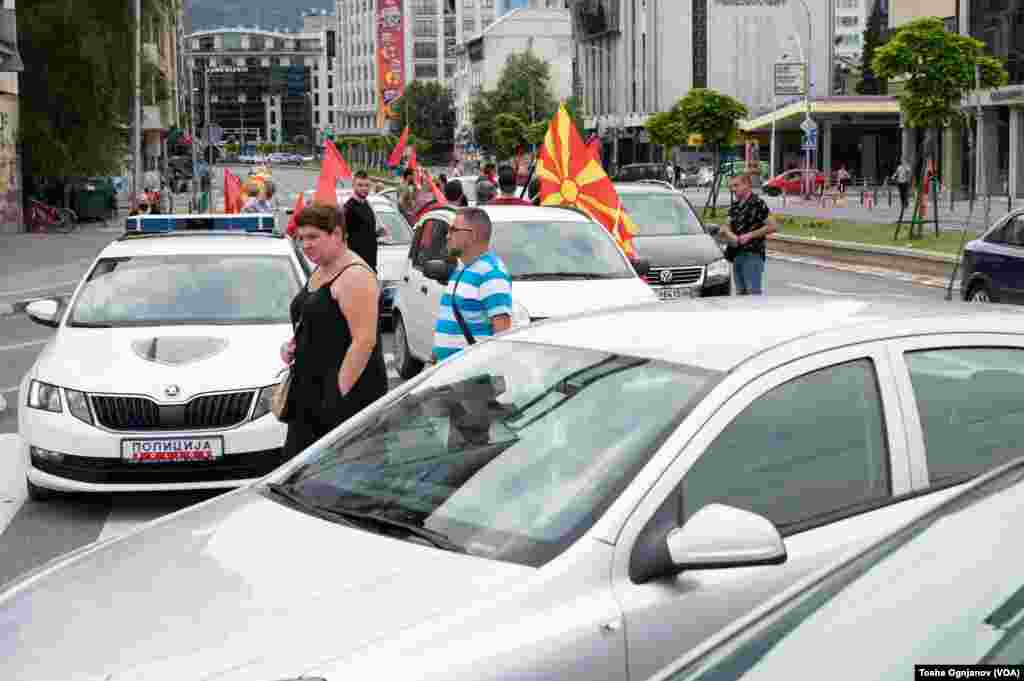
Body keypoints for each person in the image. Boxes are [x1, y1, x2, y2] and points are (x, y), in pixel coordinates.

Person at [280, 202, 389, 457]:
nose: (306, 245)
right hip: (310, 396)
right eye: (301, 238)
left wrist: (338, 395)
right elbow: (320, 320)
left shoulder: (355, 274)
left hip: (341, 401)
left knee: (338, 483)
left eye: (313, 237)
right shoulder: (322, 267)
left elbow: (364, 341)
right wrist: (294, 344)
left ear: (337, 234)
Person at [432, 207, 513, 363]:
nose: (448, 236)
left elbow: (501, 335)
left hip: (471, 377)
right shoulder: (463, 269)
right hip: (447, 373)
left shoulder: (491, 273)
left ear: (472, 235)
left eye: (453, 230)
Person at [719, 173, 777, 296]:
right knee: (740, 293)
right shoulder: (734, 206)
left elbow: (773, 226)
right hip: (736, 255)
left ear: (747, 185)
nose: (733, 189)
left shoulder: (757, 203)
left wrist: (749, 235)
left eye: (736, 185)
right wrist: (731, 236)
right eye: (731, 186)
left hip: (752, 254)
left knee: (752, 294)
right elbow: (724, 227)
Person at [342, 170, 378, 272]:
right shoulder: (348, 208)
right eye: (360, 185)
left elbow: (363, 232)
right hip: (356, 264)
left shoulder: (366, 204)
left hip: (370, 262)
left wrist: (377, 234)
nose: (364, 188)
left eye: (367, 185)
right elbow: (342, 236)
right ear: (353, 186)